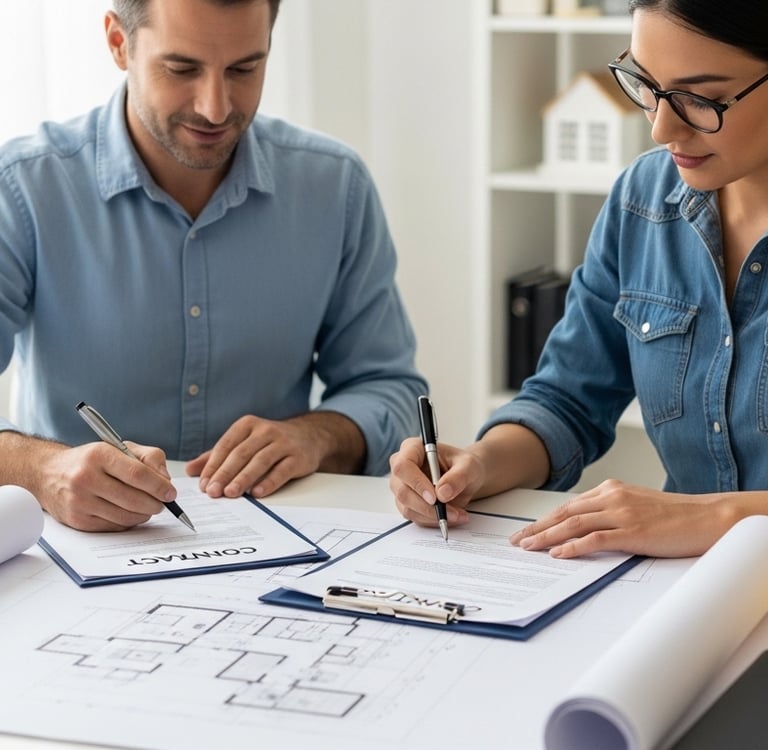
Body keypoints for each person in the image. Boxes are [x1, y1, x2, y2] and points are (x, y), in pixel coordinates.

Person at [0, 0, 427, 531]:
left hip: (281, 541)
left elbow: (389, 387)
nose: (216, 107)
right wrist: (43, 470)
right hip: (77, 554)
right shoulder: (22, 188)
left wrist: (318, 434)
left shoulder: (334, 187)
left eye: (245, 69)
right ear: (117, 42)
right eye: (182, 69)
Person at [390, 0, 768, 560]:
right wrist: (479, 464)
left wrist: (715, 515)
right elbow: (568, 399)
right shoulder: (641, 201)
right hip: (678, 596)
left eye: (699, 98)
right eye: (647, 85)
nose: (663, 129)